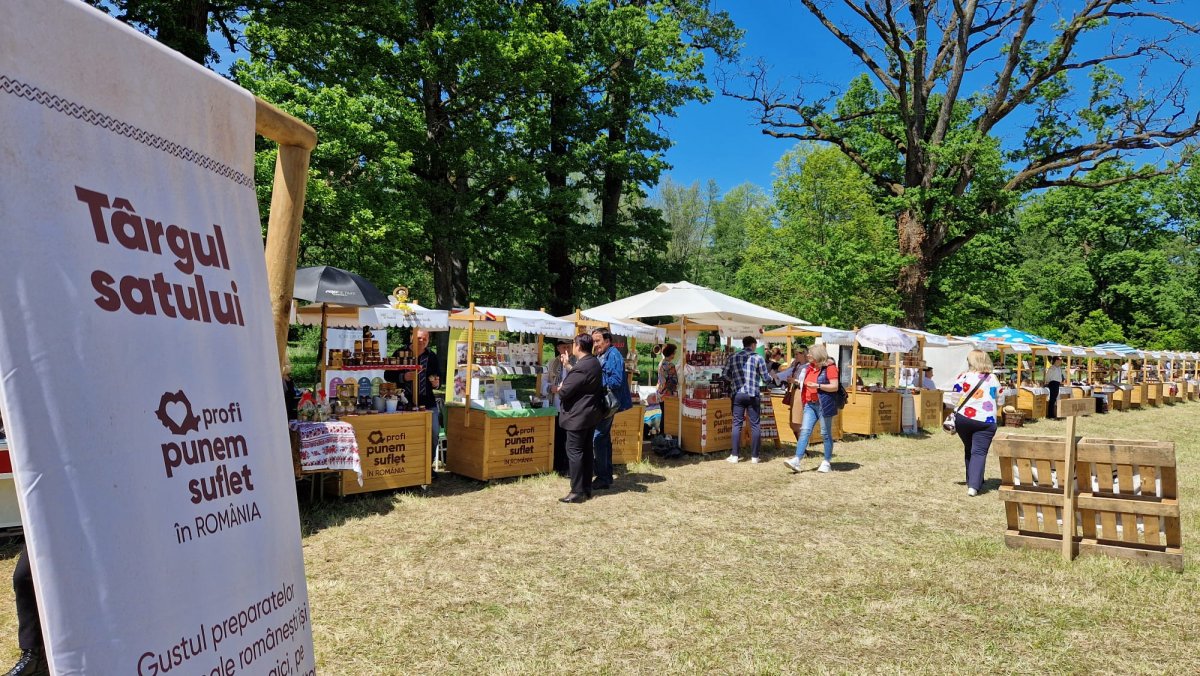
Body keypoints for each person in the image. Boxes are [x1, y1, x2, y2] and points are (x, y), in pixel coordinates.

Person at [557, 333, 605, 503]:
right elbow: (581, 380)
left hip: (578, 416)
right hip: (589, 415)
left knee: (575, 452)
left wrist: (562, 386)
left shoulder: (583, 366)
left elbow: (564, 392)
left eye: (573, 344)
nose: (571, 347)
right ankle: (585, 488)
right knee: (585, 451)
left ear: (578, 346)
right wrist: (568, 366)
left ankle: (576, 491)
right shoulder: (592, 362)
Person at [951, 349, 1005, 497]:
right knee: (979, 451)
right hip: (986, 420)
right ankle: (974, 485)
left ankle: (972, 480)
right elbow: (1001, 399)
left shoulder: (962, 377)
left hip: (963, 418)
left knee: (969, 449)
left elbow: (954, 399)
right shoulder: (993, 378)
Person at [386, 329, 443, 466]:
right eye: (419, 338)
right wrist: (403, 377)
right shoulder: (400, 353)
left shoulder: (432, 356)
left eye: (425, 339)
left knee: (434, 433)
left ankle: (428, 467)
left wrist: (437, 383)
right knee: (405, 434)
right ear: (412, 337)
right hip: (404, 403)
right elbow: (388, 375)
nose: (422, 341)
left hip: (427, 403)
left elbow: (438, 378)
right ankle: (408, 467)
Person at [784, 343, 838, 473]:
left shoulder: (830, 368)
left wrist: (818, 386)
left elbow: (834, 386)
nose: (808, 355)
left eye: (810, 353)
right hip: (810, 404)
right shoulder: (809, 368)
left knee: (825, 433)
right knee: (805, 431)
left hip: (823, 404)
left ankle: (826, 461)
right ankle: (797, 459)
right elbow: (805, 383)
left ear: (817, 355)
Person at [591, 329, 631, 489]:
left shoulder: (613, 355)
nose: (595, 344)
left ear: (607, 341)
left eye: (598, 341)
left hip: (608, 403)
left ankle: (602, 476)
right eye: (593, 341)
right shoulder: (603, 354)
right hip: (605, 403)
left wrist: (595, 380)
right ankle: (606, 475)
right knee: (604, 438)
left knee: (598, 438)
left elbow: (616, 381)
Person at [722, 336, 772, 463]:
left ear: (743, 344)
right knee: (755, 424)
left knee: (737, 424)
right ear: (753, 345)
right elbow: (766, 378)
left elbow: (725, 375)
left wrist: (733, 381)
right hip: (753, 394)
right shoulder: (758, 358)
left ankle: (734, 455)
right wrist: (772, 378)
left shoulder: (733, 357)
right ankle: (755, 456)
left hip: (737, 393)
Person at [544, 341, 573, 475]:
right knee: (557, 436)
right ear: (558, 348)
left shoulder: (576, 362)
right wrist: (551, 388)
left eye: (568, 347)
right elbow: (542, 383)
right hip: (555, 404)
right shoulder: (551, 363)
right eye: (563, 347)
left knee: (569, 438)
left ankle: (568, 467)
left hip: (571, 406)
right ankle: (557, 465)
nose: (566, 349)